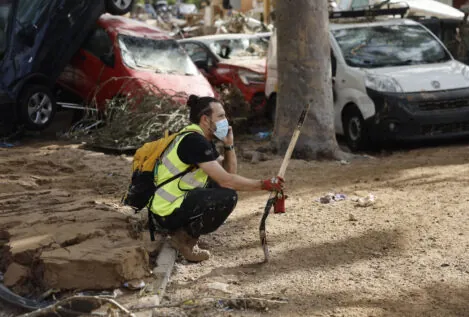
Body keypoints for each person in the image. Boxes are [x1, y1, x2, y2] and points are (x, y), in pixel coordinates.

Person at [150, 95, 284, 262]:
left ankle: (184, 232)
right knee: (227, 197)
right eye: (220, 116)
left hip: (170, 205)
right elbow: (227, 181)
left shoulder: (202, 139)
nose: (225, 121)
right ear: (205, 120)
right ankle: (184, 240)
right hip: (165, 211)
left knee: (223, 188)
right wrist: (263, 185)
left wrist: (229, 145)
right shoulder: (194, 141)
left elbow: (229, 172)